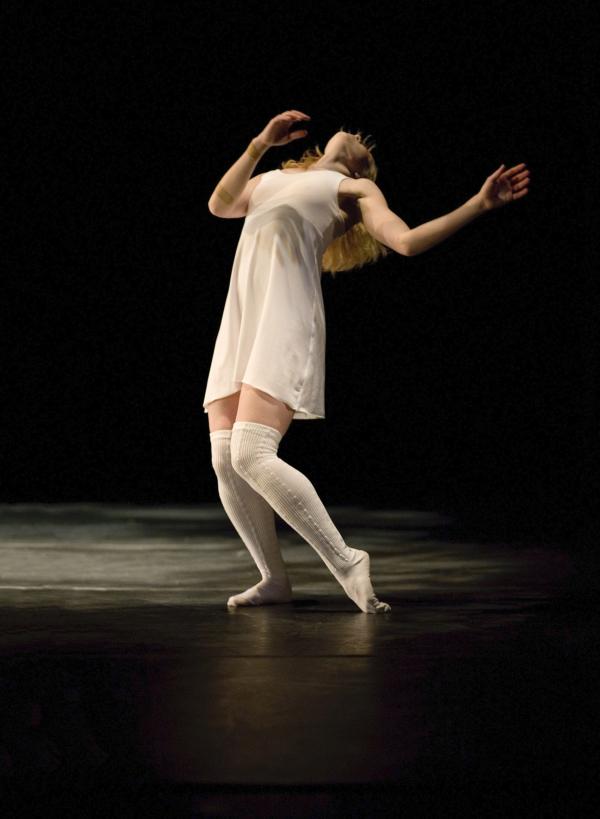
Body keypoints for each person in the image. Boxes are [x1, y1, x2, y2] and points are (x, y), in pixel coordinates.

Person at [203, 109, 530, 613]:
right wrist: (260, 142)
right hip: (243, 316)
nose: (356, 135)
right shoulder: (273, 177)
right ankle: (273, 579)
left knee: (250, 453)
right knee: (224, 460)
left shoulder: (354, 192)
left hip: (284, 317)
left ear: (360, 168)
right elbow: (220, 205)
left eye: (366, 146)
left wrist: (477, 205)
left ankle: (347, 559)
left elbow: (405, 241)